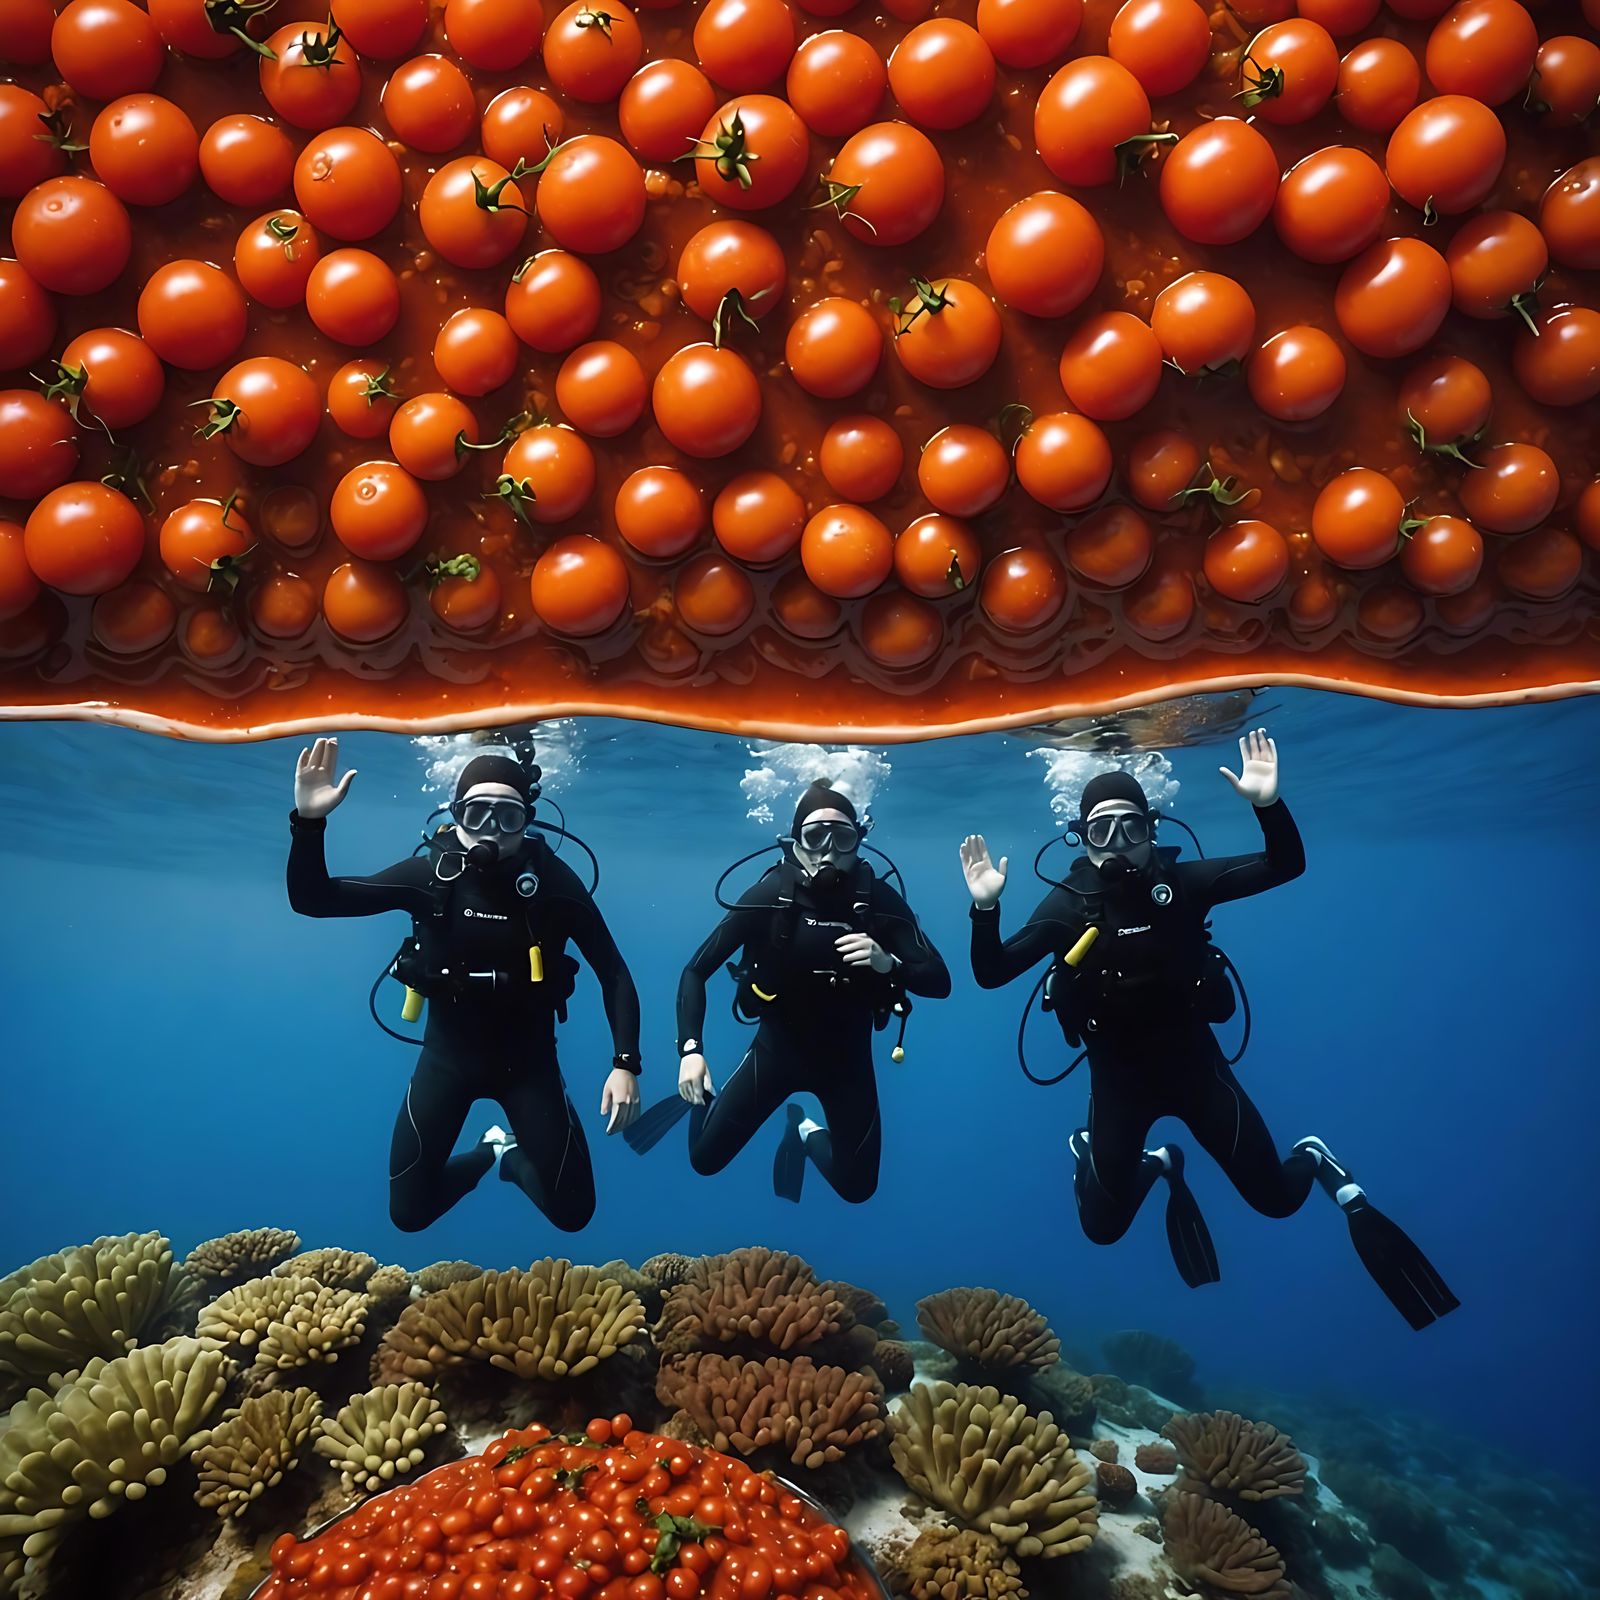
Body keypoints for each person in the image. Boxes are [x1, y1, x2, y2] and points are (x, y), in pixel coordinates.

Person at [959, 729, 1458, 1331]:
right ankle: (1156, 1163)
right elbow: (991, 972)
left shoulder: (1184, 885)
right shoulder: (1066, 908)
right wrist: (985, 908)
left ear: (1152, 829)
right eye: (1100, 831)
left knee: (1277, 1202)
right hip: (1119, 1085)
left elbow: (1285, 863)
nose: (1118, 844)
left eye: (1131, 827)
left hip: (1197, 1071)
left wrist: (1267, 804)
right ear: (1080, 839)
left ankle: (1313, 1158)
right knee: (1101, 1229)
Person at [287, 736, 641, 1233]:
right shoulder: (428, 875)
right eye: (477, 813)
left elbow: (614, 972)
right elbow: (314, 900)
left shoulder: (555, 885)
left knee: (573, 1214)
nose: (491, 830)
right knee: (409, 1215)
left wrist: (625, 1064)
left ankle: (512, 1161)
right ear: (455, 815)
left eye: (508, 816)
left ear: (528, 821)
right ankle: (489, 1153)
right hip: (446, 1063)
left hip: (530, 1068)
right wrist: (308, 821)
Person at [626, 781, 950, 1203]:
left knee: (858, 1188)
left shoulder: (880, 902)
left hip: (847, 1062)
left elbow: (939, 981)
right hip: (776, 1053)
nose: (828, 851)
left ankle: (804, 1132)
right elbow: (695, 970)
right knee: (704, 1160)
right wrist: (691, 1052)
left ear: (858, 840)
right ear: (795, 841)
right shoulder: (770, 895)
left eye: (842, 838)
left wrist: (889, 963)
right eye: (815, 837)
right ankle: (701, 1098)